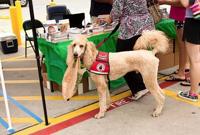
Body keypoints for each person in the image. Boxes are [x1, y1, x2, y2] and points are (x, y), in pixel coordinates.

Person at [98, 0, 155, 100]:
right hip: (145, 25)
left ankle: (139, 88)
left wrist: (110, 18)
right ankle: (146, 85)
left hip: (130, 28)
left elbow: (117, 10)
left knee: (123, 60)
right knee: (140, 58)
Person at [165, 6, 190, 81]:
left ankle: (181, 73)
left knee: (182, 45)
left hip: (181, 16)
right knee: (187, 44)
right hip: (185, 16)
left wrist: (163, 2)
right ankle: (186, 66)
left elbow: (181, 3)